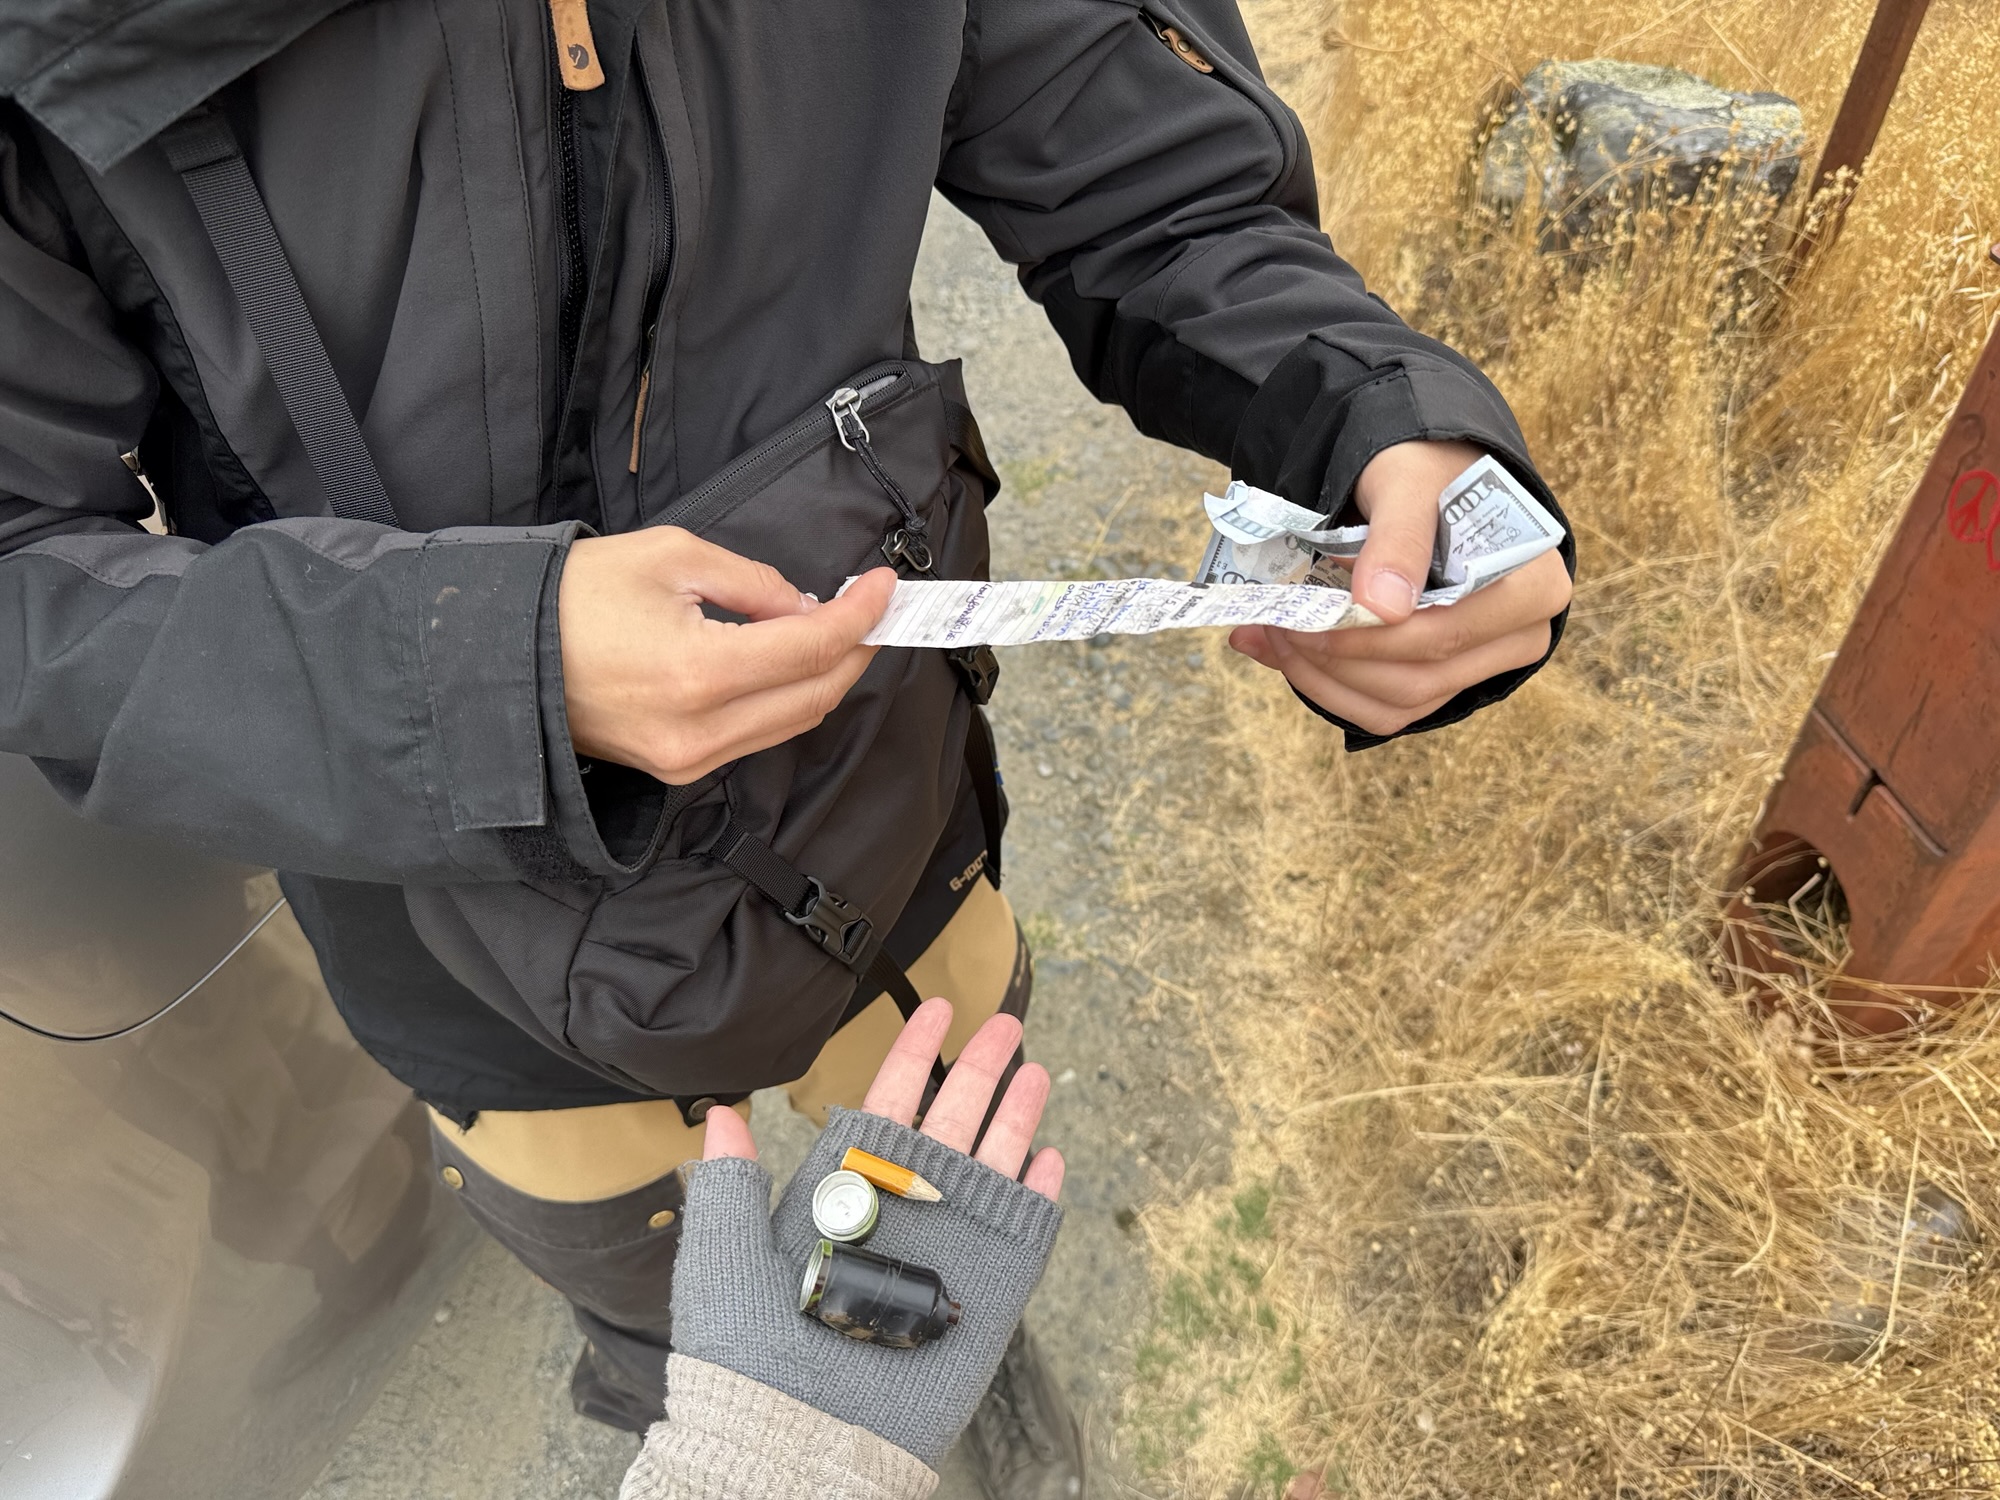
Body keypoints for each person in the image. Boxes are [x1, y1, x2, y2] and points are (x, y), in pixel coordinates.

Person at [0, 0, 1573, 1493]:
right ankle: (680, 1394)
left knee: (948, 1205)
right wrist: (483, 664)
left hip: (888, 824)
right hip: (472, 952)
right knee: (672, 1322)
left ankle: (965, 1374)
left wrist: (1373, 412)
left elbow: (1148, 180)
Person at [625, 997, 1065, 1500]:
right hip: (585, 1081)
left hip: (853, 983)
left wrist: (741, 1445)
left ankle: (1001, 1375)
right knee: (627, 1303)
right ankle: (628, 1378)